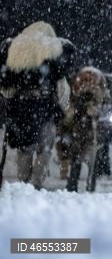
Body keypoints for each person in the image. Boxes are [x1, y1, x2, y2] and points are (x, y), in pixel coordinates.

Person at [0, 21, 76, 189]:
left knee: (24, 148)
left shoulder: (15, 50)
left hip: (21, 108)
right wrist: (62, 107)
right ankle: (36, 184)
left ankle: (23, 184)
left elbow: (7, 90)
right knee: (45, 148)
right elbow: (61, 87)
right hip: (45, 107)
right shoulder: (53, 50)